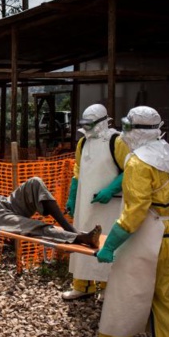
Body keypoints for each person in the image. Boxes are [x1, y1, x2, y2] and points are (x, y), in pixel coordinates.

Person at [86, 106, 169, 337]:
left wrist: (109, 246)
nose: (124, 132)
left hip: (146, 237)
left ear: (136, 130)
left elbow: (134, 214)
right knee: (166, 302)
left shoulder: (138, 161)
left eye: (127, 127)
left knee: (123, 296)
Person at [63, 104, 130, 301]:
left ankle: (107, 288)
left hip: (110, 206)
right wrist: (73, 196)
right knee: (82, 239)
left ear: (102, 122)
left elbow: (131, 169)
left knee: (107, 242)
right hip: (86, 205)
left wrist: (111, 189)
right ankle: (82, 285)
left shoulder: (117, 141)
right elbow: (78, 170)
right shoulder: (82, 143)